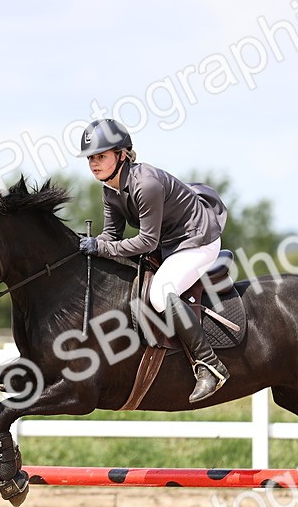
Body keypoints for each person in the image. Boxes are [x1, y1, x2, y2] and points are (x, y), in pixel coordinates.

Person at [75, 118, 230, 403]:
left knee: (161, 294)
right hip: (169, 243)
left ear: (122, 155)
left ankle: (210, 366)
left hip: (197, 239)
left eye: (101, 156)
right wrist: (84, 247)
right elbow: (111, 235)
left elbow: (147, 242)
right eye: (90, 158)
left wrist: (101, 247)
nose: (94, 163)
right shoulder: (110, 188)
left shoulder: (145, 184)